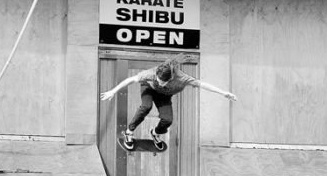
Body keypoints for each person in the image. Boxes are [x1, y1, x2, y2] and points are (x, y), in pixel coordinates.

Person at [99, 56, 236, 149]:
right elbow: (130, 80)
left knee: (167, 120)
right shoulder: (151, 74)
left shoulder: (182, 78)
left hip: (164, 96)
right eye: (158, 80)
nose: (159, 82)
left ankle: (155, 133)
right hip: (148, 89)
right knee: (146, 106)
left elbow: (202, 84)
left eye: (162, 82)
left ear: (171, 79)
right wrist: (113, 91)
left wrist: (224, 93)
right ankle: (129, 132)